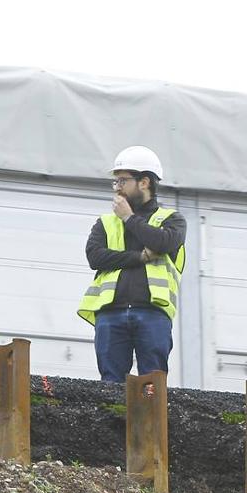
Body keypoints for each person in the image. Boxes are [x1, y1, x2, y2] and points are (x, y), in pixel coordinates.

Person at [78, 146, 186, 383]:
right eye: (115, 182)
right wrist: (139, 257)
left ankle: (150, 422)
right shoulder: (105, 222)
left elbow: (163, 242)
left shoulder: (171, 220)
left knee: (152, 384)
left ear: (144, 182)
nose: (117, 187)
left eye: (123, 181)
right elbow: (95, 257)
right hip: (111, 312)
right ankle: (114, 422)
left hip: (152, 312)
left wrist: (128, 217)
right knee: (110, 385)